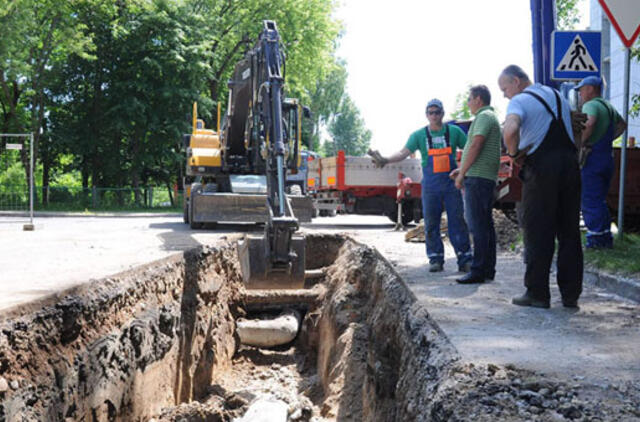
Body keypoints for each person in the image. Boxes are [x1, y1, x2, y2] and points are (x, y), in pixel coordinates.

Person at [498, 65, 582, 309]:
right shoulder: (558, 96)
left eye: (505, 89)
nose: (505, 95)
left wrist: (513, 154)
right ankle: (570, 295)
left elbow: (511, 129)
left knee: (538, 229)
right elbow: (576, 131)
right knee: (569, 231)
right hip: (569, 165)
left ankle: (537, 293)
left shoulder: (520, 101)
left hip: (542, 167)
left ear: (516, 81)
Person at [370, 99, 472, 273]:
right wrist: (386, 159)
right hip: (431, 186)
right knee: (431, 223)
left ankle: (464, 258)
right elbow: (403, 152)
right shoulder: (419, 135)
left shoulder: (454, 132)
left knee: (457, 222)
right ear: (426, 115)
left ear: (442, 113)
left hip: (451, 185)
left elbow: (471, 147)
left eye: (437, 112)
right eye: (430, 112)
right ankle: (435, 258)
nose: (434, 116)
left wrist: (463, 170)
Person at [450, 85, 502, 284]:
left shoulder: (483, 117)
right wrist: (462, 168)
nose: (468, 103)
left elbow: (476, 144)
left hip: (478, 179)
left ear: (478, 99)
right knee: (485, 225)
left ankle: (478, 270)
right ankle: (487, 269)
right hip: (483, 177)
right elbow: (478, 149)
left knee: (477, 225)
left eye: (470, 99)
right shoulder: (490, 117)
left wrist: (462, 174)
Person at [575, 76, 627, 249]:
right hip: (607, 158)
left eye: (582, 89)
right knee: (600, 199)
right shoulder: (608, 106)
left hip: (592, 159)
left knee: (590, 199)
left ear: (590, 89)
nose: (580, 94)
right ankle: (605, 237)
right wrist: (608, 138)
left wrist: (580, 142)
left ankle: (596, 241)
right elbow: (622, 125)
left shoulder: (591, 105)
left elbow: (590, 123)